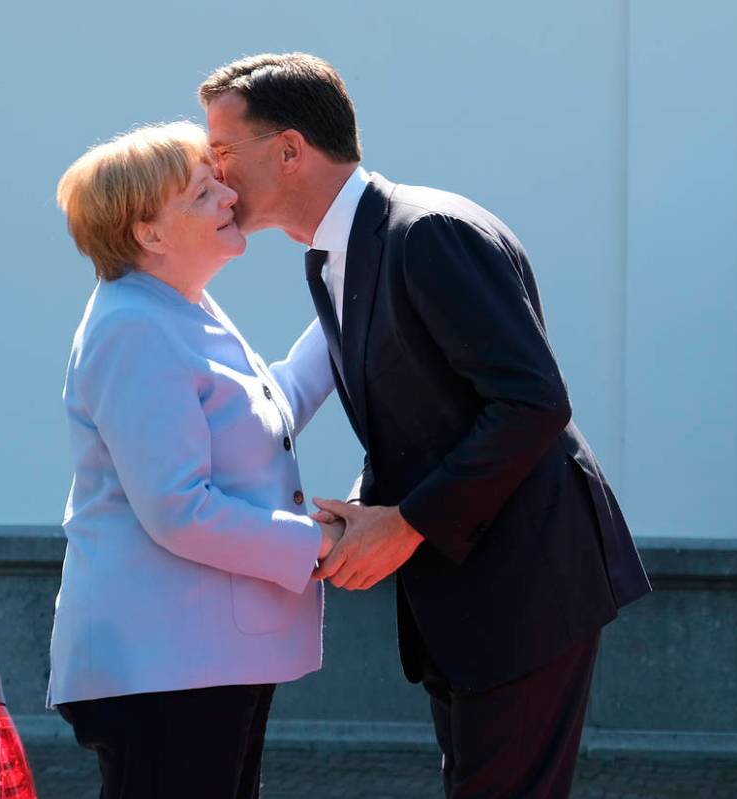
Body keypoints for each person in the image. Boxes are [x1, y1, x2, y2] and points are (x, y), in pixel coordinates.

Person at [200, 53, 651, 798]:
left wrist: (404, 523)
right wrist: (366, 510)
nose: (214, 176)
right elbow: (420, 415)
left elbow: (532, 402)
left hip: (527, 579)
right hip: (466, 584)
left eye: (220, 152)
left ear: (289, 150)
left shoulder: (428, 231)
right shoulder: (331, 257)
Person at [47, 121, 342, 799]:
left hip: (196, 657)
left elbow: (272, 410)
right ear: (149, 233)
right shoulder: (132, 326)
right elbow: (179, 509)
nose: (229, 198)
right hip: (165, 664)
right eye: (203, 191)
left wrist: (351, 300)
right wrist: (317, 542)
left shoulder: (177, 307)